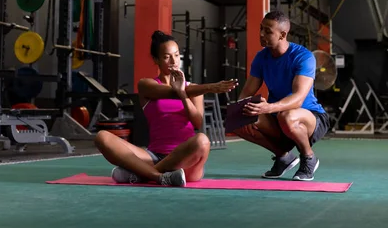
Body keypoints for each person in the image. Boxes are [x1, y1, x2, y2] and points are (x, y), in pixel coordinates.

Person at [95, 30, 238, 187]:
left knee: (202, 141)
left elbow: (198, 123)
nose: (173, 61)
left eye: (176, 55)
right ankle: (159, 177)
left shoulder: (195, 90)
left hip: (185, 159)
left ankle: (145, 174)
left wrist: (184, 95)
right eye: (166, 56)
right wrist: (210, 87)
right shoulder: (147, 85)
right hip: (152, 156)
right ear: (156, 59)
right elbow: (171, 92)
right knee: (102, 137)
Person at [234, 10, 330, 181]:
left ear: (282, 35)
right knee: (239, 121)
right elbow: (247, 93)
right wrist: (239, 112)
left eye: (268, 31)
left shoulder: (303, 57)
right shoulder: (261, 58)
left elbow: (298, 98)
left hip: (310, 117)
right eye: (261, 29)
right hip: (278, 117)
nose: (262, 34)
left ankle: (308, 157)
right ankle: (284, 157)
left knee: (287, 115)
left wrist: (269, 107)